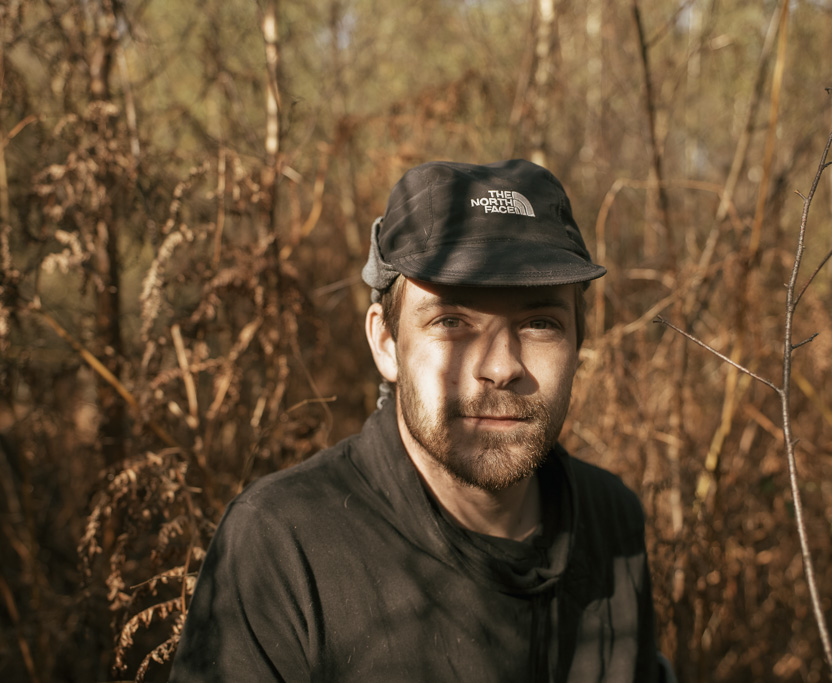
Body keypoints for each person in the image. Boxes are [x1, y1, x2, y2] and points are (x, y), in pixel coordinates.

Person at [170, 159, 670, 682]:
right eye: (451, 322)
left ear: (577, 344)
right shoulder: (283, 547)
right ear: (386, 344)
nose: (500, 368)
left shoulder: (612, 521)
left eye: (540, 323)